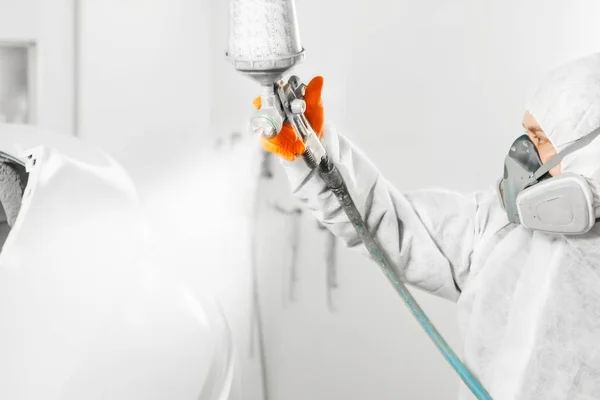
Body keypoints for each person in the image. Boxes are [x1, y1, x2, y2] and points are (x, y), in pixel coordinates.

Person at [253, 52, 600, 399]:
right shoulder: (501, 232)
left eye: (539, 139)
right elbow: (387, 224)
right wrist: (314, 155)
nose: (523, 155)